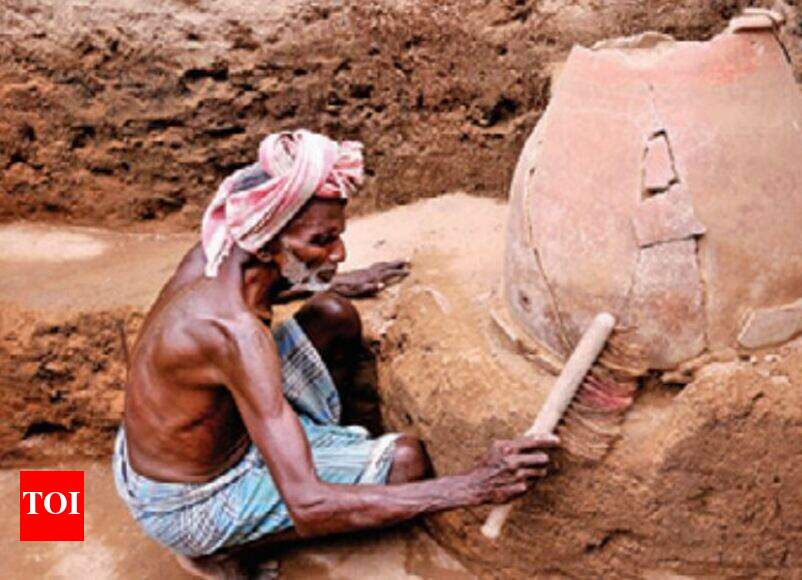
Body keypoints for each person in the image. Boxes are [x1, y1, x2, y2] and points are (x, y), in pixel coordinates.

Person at [113, 129, 557, 577]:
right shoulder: (234, 335)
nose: (339, 252)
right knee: (406, 463)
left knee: (332, 313)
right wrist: (472, 486)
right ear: (267, 245)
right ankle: (222, 547)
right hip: (189, 501)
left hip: (187, 446)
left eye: (337, 235)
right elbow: (307, 504)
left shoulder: (221, 251)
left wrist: (330, 279)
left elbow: (266, 285)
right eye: (322, 240)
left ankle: (310, 455)